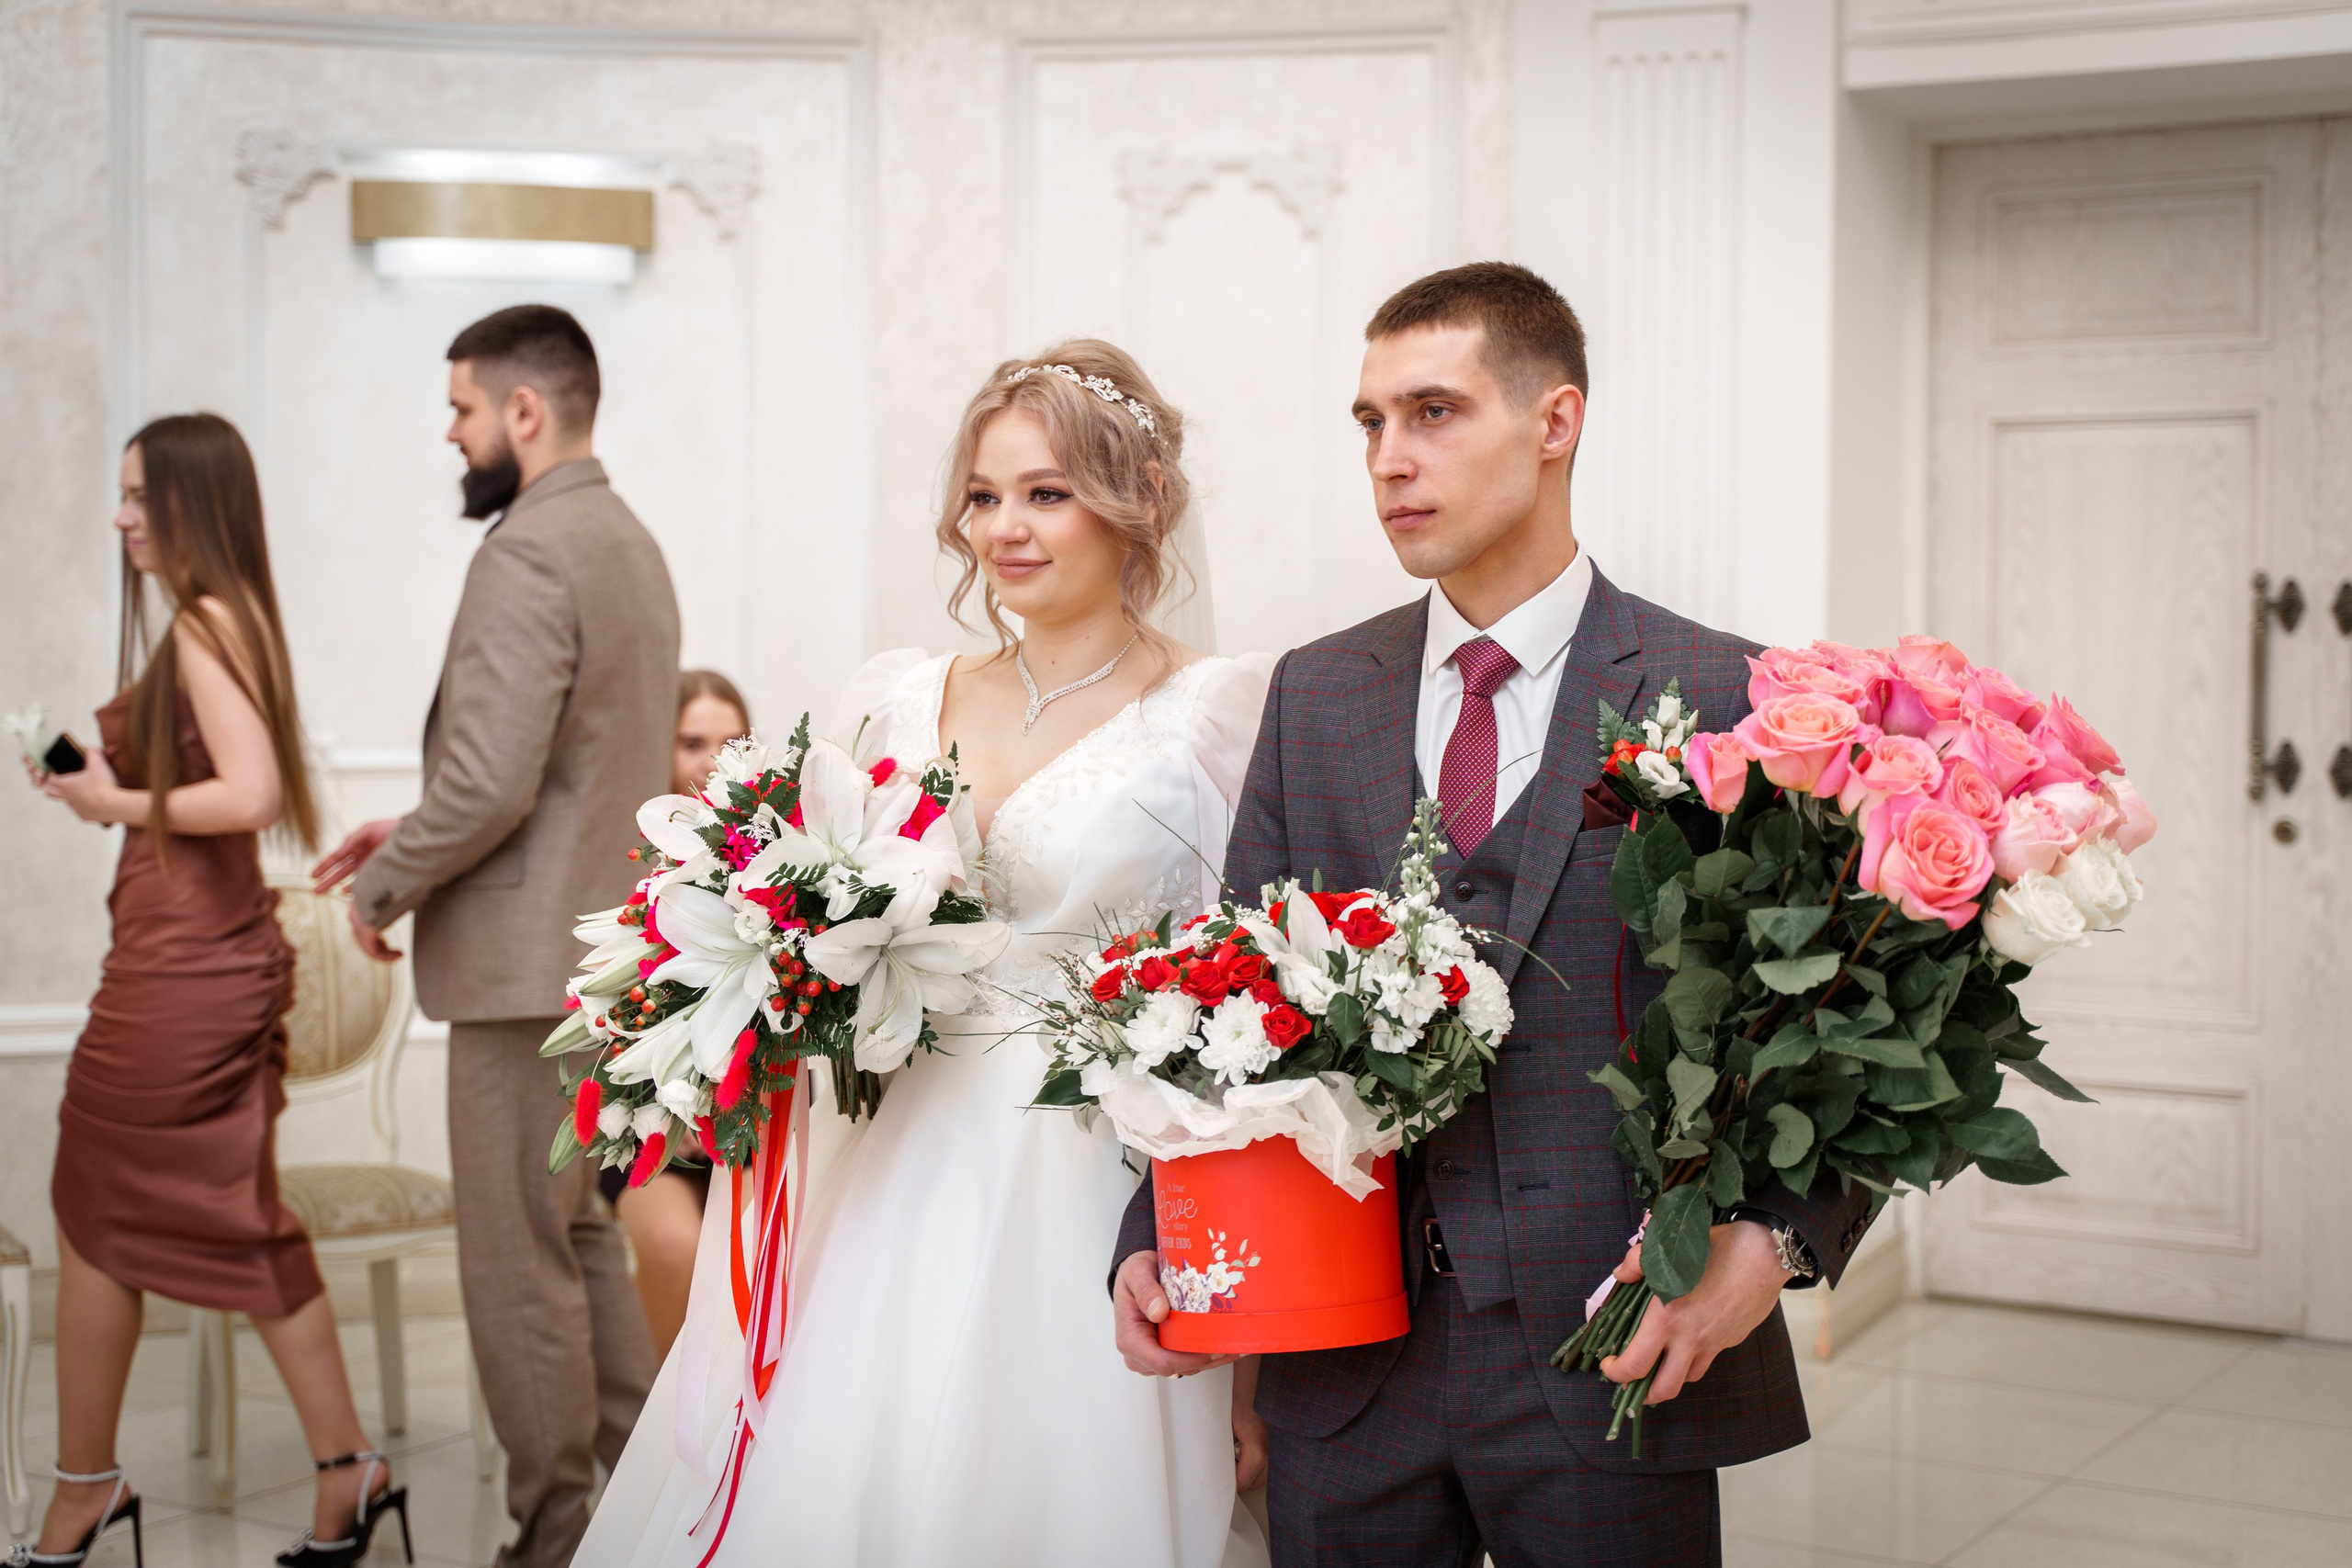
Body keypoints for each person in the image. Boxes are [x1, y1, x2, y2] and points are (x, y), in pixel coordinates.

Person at [1111, 264, 1880, 1566]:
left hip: (1611, 1335)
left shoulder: (1728, 690)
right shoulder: (1319, 692)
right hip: (1344, 1349)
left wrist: (1780, 1233)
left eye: (1433, 412)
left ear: (1555, 421)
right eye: (1370, 423)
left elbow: (1845, 1010)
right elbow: (1231, 987)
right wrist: (1158, 1222)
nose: (1391, 460)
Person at [575, 341, 1272, 1568]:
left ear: (1141, 498)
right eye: (985, 493)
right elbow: (815, 886)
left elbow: (1239, 1001)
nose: (1004, 526)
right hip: (886, 1146)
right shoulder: (899, 695)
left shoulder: (1218, 715)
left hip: (1090, 1180)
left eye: (1046, 492)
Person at [308, 305, 679, 1568]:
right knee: (580, 1240)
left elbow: (488, 788)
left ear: (526, 412)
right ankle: (652, 1508)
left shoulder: (528, 550)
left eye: (463, 409)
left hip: (523, 980)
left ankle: (554, 1540)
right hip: (595, 958)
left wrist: (375, 892)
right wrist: (405, 831)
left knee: (519, 1268)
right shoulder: (629, 540)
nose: (454, 434)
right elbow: (549, 777)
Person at [22, 413, 403, 1568]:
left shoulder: (203, 622)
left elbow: (248, 795)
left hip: (186, 969)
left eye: (141, 496)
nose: (122, 516)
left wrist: (110, 803)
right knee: (138, 1212)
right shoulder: (223, 620)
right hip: (180, 954)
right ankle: (339, 1470)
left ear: (194, 503)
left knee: (114, 1208)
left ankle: (93, 1492)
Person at [598, 670, 752, 1360]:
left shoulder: (774, 857)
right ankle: (667, 1441)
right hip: (647, 1114)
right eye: (693, 741)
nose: (713, 761)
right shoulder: (618, 856)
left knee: (758, 1260)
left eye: (732, 742)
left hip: (756, 1114)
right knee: (673, 1246)